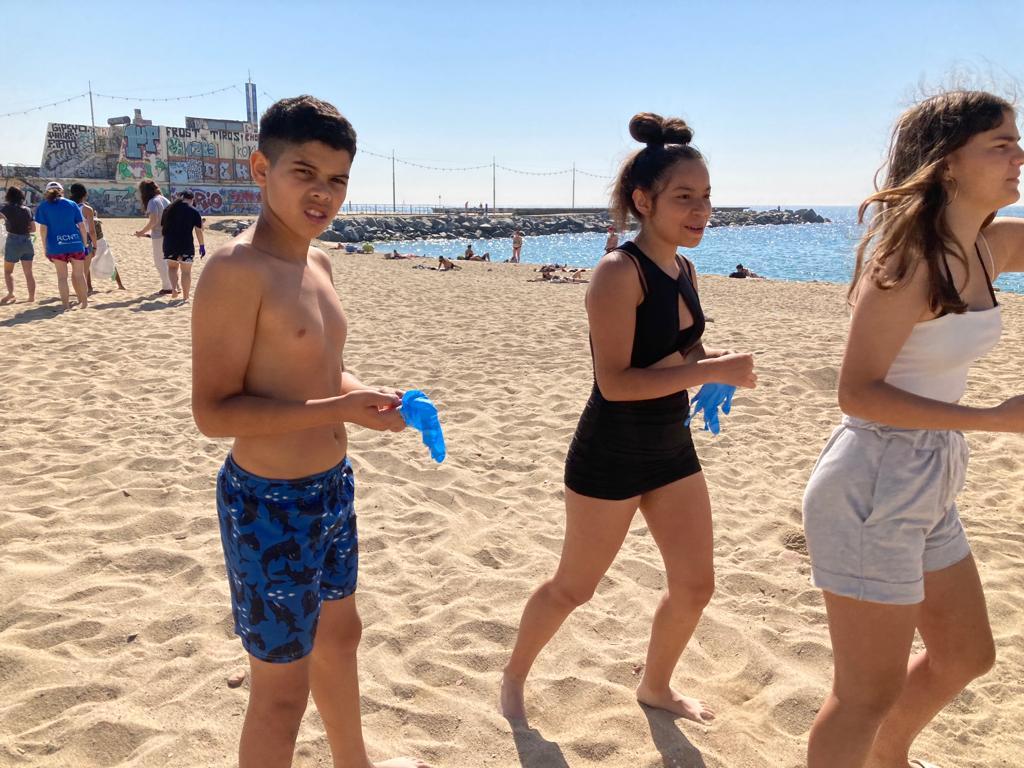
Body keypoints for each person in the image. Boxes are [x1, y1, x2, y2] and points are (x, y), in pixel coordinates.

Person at [191, 95, 429, 768]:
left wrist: (370, 399)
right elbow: (213, 413)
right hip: (268, 503)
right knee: (280, 694)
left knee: (342, 637)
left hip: (331, 488)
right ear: (261, 169)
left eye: (338, 179)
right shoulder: (235, 270)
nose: (323, 193)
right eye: (305, 172)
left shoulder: (318, 264)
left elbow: (322, 371)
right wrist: (336, 410)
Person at [501, 112, 757, 723]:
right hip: (611, 453)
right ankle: (513, 675)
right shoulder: (619, 272)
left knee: (695, 586)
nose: (700, 210)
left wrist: (715, 364)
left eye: (706, 197)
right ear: (644, 201)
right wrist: (706, 372)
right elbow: (615, 383)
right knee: (574, 587)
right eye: (684, 197)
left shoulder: (684, 269)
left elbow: (682, 352)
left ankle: (655, 687)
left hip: (670, 448)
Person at [802, 90, 1024, 768]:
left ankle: (886, 757)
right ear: (948, 162)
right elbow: (857, 392)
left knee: (965, 654)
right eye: (1002, 145)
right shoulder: (909, 263)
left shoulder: (987, 246)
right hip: (875, 479)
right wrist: (990, 420)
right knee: (863, 694)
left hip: (929, 475)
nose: (1019, 156)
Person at [34, 182, 89, 310]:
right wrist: (84, 243)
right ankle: (84, 303)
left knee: (62, 278)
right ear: (62, 191)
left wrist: (45, 247)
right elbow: (81, 226)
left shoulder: (44, 206)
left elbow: (43, 230)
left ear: (46, 193)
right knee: (79, 275)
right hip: (75, 243)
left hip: (56, 246)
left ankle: (65, 305)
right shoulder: (72, 204)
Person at [161, 190, 205, 301]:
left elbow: (162, 227)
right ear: (192, 199)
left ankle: (174, 289)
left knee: (172, 268)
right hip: (186, 245)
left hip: (169, 244)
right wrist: (202, 246)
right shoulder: (193, 211)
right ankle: (185, 297)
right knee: (186, 272)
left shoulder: (168, 209)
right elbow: (199, 231)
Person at [0, 185, 36, 304]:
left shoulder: (6, 208)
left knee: (8, 271)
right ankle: (31, 297)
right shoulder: (27, 210)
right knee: (29, 272)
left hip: (13, 240)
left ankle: (11, 294)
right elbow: (33, 229)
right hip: (27, 240)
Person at [135, 180, 172, 294]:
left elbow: (154, 221)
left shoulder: (152, 201)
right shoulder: (165, 199)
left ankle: (168, 287)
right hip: (169, 234)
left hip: (159, 236)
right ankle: (174, 285)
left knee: (160, 262)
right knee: (169, 261)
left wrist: (141, 232)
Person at [67, 183, 99, 294]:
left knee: (75, 271)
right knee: (83, 272)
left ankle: (78, 293)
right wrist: (95, 246)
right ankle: (82, 295)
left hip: (71, 239)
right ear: (84, 194)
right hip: (84, 240)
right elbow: (92, 231)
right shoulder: (87, 209)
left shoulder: (68, 207)